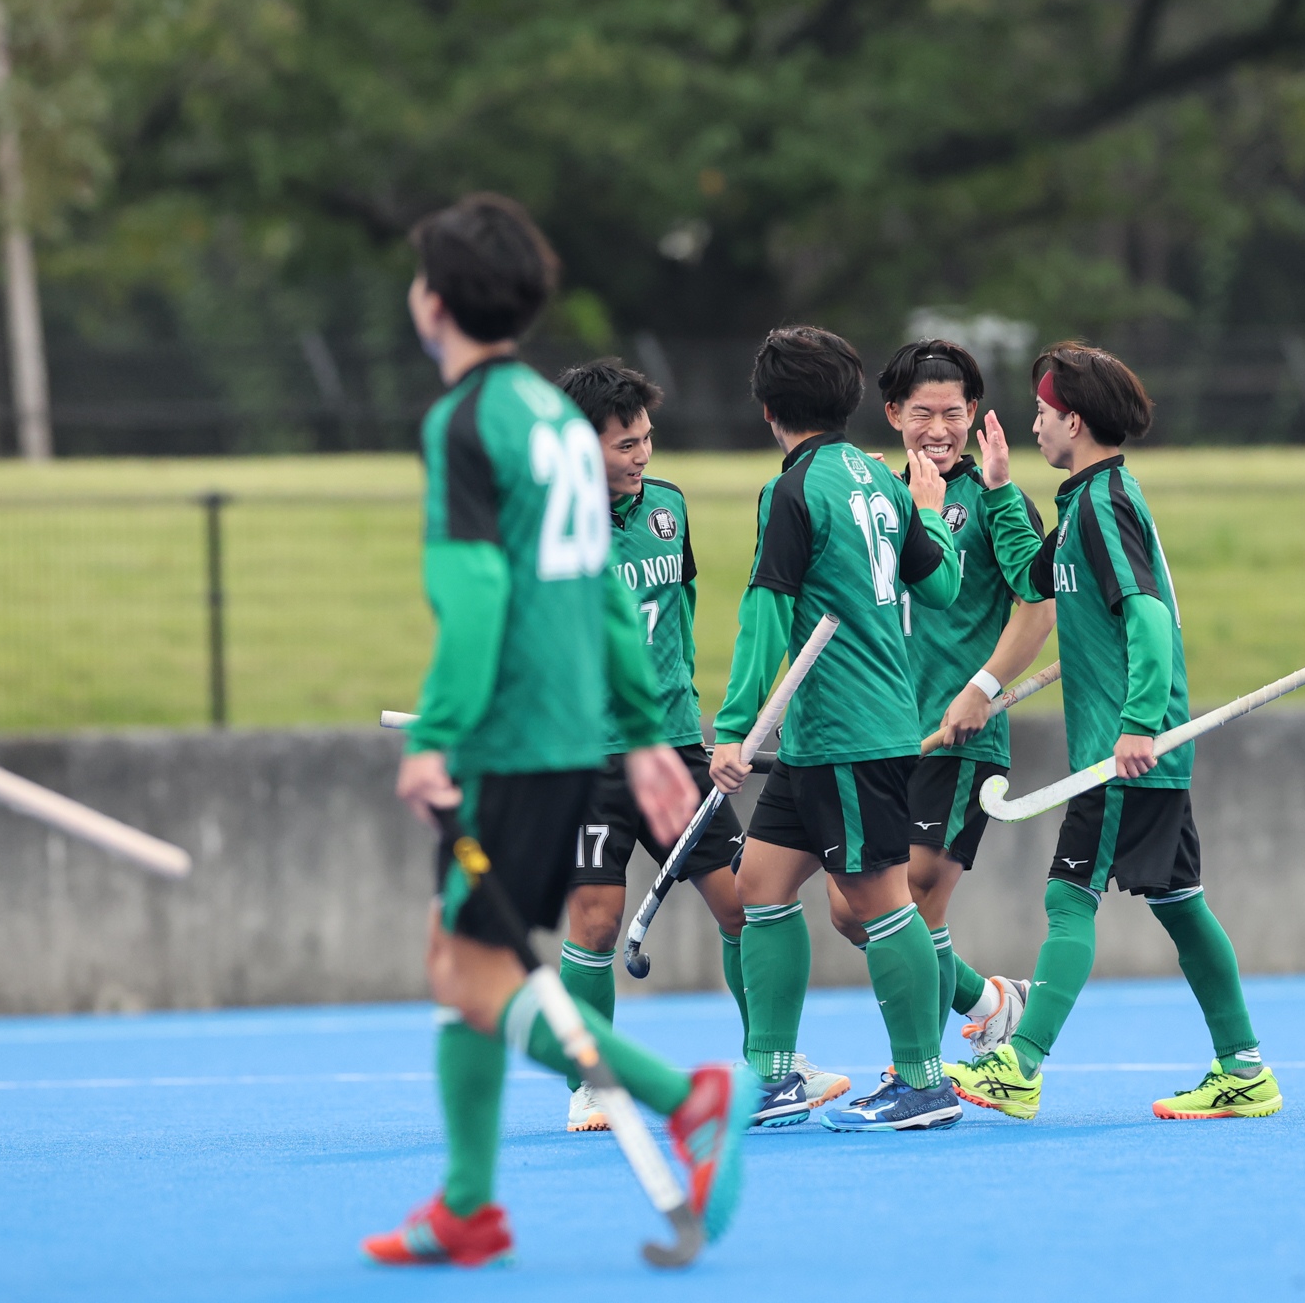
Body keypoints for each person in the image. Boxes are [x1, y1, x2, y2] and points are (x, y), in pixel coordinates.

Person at [362, 195, 752, 1269]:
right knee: (462, 960)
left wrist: (437, 734)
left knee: (474, 972)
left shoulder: (464, 424)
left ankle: (685, 1098)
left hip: (513, 745)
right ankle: (468, 1205)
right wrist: (643, 732)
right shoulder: (549, 417)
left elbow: (476, 591)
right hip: (574, 741)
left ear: (434, 304)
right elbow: (607, 600)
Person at [945, 342, 1279, 1123]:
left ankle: (1020, 1065)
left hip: (1122, 754)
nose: (1033, 424)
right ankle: (1244, 1070)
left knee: (1069, 898)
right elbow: (1032, 578)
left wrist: (1136, 724)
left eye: (1042, 412)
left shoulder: (1105, 505)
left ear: (1075, 421)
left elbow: (1149, 617)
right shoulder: (1084, 504)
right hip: (1137, 751)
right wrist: (999, 490)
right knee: (1182, 905)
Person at [547, 358, 847, 1132]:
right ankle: (593, 1083)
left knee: (743, 904)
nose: (641, 455)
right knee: (595, 923)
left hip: (676, 747)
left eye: (646, 439)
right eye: (624, 445)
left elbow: (677, 617)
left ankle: (772, 1063)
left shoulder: (669, 508)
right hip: (587, 758)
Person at [707, 326, 967, 1132]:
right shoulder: (879, 480)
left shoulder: (791, 490)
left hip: (851, 730)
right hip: (820, 734)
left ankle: (924, 1084)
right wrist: (929, 513)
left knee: (879, 900)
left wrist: (733, 727)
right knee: (759, 886)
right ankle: (774, 1076)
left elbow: (765, 611)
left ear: (767, 410)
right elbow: (943, 587)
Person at [826, 341, 1051, 1056]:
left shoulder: (994, 500)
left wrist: (982, 689)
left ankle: (917, 1073)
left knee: (916, 893)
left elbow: (1038, 604)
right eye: (922, 413)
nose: (939, 429)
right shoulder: (876, 498)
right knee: (851, 910)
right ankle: (991, 1001)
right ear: (893, 413)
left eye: (953, 413)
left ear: (974, 414)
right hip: (884, 732)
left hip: (961, 736)